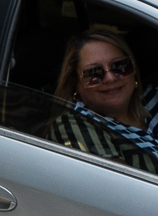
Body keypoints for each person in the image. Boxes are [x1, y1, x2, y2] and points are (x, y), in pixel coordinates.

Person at [49, 28, 158, 173]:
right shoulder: (74, 126)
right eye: (94, 73)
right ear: (75, 84)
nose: (111, 78)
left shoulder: (152, 95)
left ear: (134, 69)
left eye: (119, 66)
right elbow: (119, 187)